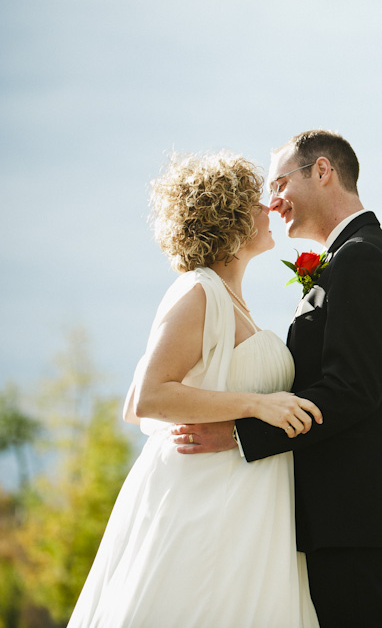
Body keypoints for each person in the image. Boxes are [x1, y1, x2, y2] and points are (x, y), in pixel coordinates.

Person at [176, 130, 382, 626]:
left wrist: (237, 434)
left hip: (358, 520)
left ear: (322, 171)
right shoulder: (348, 258)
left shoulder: (362, 259)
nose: (272, 203)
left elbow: (351, 391)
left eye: (279, 184)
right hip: (341, 519)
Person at [68, 153, 320, 628]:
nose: (268, 209)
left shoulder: (231, 300)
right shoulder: (199, 292)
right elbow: (147, 398)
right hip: (207, 502)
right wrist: (255, 405)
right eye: (254, 202)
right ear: (229, 219)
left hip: (249, 505)